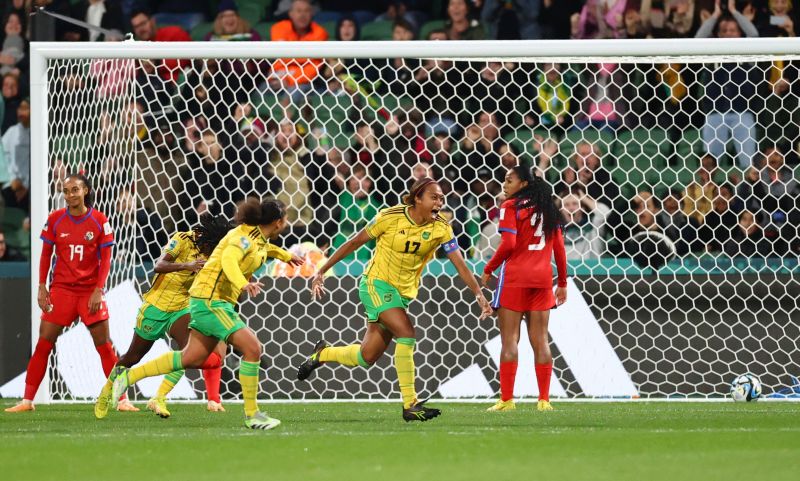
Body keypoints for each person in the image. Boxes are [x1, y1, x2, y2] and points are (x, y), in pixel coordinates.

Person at [296, 177, 493, 422]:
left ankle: (322, 354)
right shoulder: (390, 217)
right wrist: (322, 270)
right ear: (417, 199)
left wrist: (478, 293)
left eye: (442, 198)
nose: (440, 202)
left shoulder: (441, 227)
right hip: (375, 284)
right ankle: (410, 404)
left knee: (366, 357)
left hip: (402, 294)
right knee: (407, 333)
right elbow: (355, 242)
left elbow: (460, 264)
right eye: (434, 197)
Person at [109, 199, 304, 430]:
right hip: (211, 301)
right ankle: (253, 415)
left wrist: (284, 255)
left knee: (191, 358)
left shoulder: (257, 237)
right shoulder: (242, 238)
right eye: (287, 217)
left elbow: (265, 249)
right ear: (278, 222)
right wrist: (243, 284)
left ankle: (128, 378)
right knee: (253, 349)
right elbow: (229, 260)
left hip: (210, 301)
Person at [5, 174, 135, 412]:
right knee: (44, 343)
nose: (69, 195)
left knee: (104, 345)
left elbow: (106, 259)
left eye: (74, 190)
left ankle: (123, 399)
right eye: (65, 191)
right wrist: (42, 286)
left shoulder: (99, 220)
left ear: (85, 191)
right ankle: (27, 401)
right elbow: (46, 255)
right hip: (62, 290)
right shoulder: (54, 220)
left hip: (89, 293)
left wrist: (98, 289)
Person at [94, 213, 233, 420]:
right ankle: (107, 390)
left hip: (182, 308)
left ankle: (159, 398)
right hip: (155, 307)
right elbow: (158, 265)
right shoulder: (182, 239)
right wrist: (187, 266)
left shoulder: (212, 254)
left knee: (190, 353)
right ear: (208, 240)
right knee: (132, 356)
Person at [480, 167, 567, 413]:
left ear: (524, 184)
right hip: (542, 280)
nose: (504, 185)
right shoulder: (549, 208)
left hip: (515, 279)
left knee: (510, 341)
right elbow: (559, 248)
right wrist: (562, 283)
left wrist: (489, 268)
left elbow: (508, 244)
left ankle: (507, 400)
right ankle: (544, 401)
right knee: (540, 340)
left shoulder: (510, 207)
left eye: (509, 180)